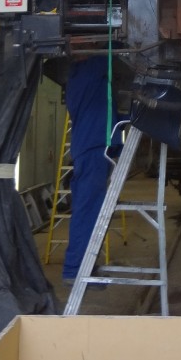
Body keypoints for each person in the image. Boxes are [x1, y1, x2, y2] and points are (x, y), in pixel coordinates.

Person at [62, 54, 118, 283]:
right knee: (88, 212)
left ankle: (81, 267)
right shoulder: (89, 70)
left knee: (88, 211)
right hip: (93, 150)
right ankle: (75, 270)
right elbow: (111, 53)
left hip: (91, 148)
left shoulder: (81, 77)